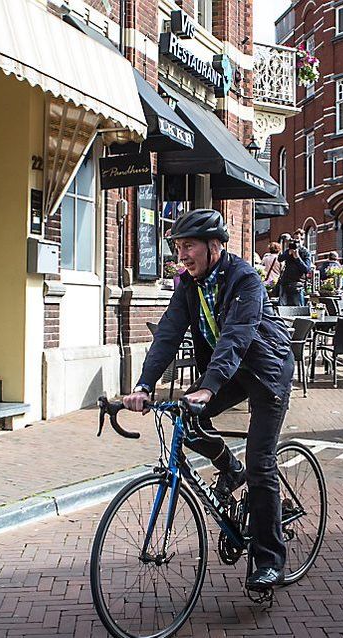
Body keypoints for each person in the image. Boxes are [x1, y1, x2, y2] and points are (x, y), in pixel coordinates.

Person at [122, 209, 293, 591]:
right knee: (188, 421)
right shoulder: (188, 284)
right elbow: (168, 333)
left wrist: (208, 386)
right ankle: (230, 470)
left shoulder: (246, 278)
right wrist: (144, 385)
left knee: (261, 463)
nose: (182, 255)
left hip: (266, 371)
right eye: (178, 247)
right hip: (228, 373)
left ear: (215, 246)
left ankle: (269, 560)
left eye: (189, 246)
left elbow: (238, 334)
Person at [275, 229, 312, 306]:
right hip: (285, 283)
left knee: (299, 309)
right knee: (282, 308)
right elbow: (280, 258)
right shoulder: (289, 250)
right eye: (295, 240)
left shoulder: (305, 252)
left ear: (303, 240)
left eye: (298, 240)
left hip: (297, 285)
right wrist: (288, 253)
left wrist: (297, 258)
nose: (296, 242)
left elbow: (306, 269)